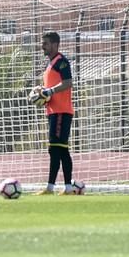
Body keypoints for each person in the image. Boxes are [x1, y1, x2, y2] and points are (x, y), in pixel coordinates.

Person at [35, 31, 75, 195]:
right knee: (60, 149)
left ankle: (52, 187)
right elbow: (48, 91)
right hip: (53, 111)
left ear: (55, 44)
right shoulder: (50, 64)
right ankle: (67, 188)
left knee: (56, 149)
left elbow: (68, 83)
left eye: (45, 43)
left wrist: (49, 91)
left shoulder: (61, 62)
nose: (42, 46)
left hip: (61, 112)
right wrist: (40, 92)